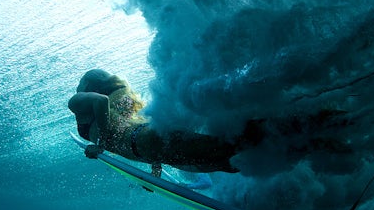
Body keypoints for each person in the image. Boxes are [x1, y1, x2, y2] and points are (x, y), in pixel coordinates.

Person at [68, 69, 244, 174]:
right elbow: (134, 127)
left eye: (81, 81)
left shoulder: (77, 101)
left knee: (233, 152)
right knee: (235, 161)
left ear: (87, 85)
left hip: (144, 145)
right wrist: (155, 168)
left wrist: (101, 144)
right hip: (148, 143)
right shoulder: (120, 100)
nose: (77, 86)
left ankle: (267, 128)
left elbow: (100, 101)